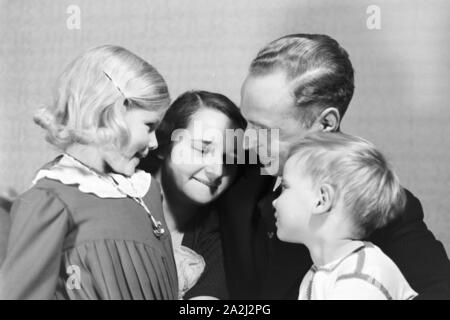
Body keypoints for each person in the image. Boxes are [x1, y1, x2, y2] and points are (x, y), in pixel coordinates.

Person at [218, 33, 450, 299]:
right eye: (246, 121)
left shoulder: (378, 205)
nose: (245, 142)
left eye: (263, 129)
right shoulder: (235, 167)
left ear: (326, 124)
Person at [0, 45, 178, 299]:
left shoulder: (147, 190)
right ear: (112, 112)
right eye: (148, 126)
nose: (154, 143)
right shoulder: (50, 200)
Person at [273, 132, 417, 299]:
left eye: (285, 186)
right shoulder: (320, 273)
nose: (275, 201)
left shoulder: (360, 279)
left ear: (322, 199)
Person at [139, 90, 246, 299]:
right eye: (202, 150)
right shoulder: (110, 200)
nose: (216, 171)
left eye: (229, 159)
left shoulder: (224, 238)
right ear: (163, 145)